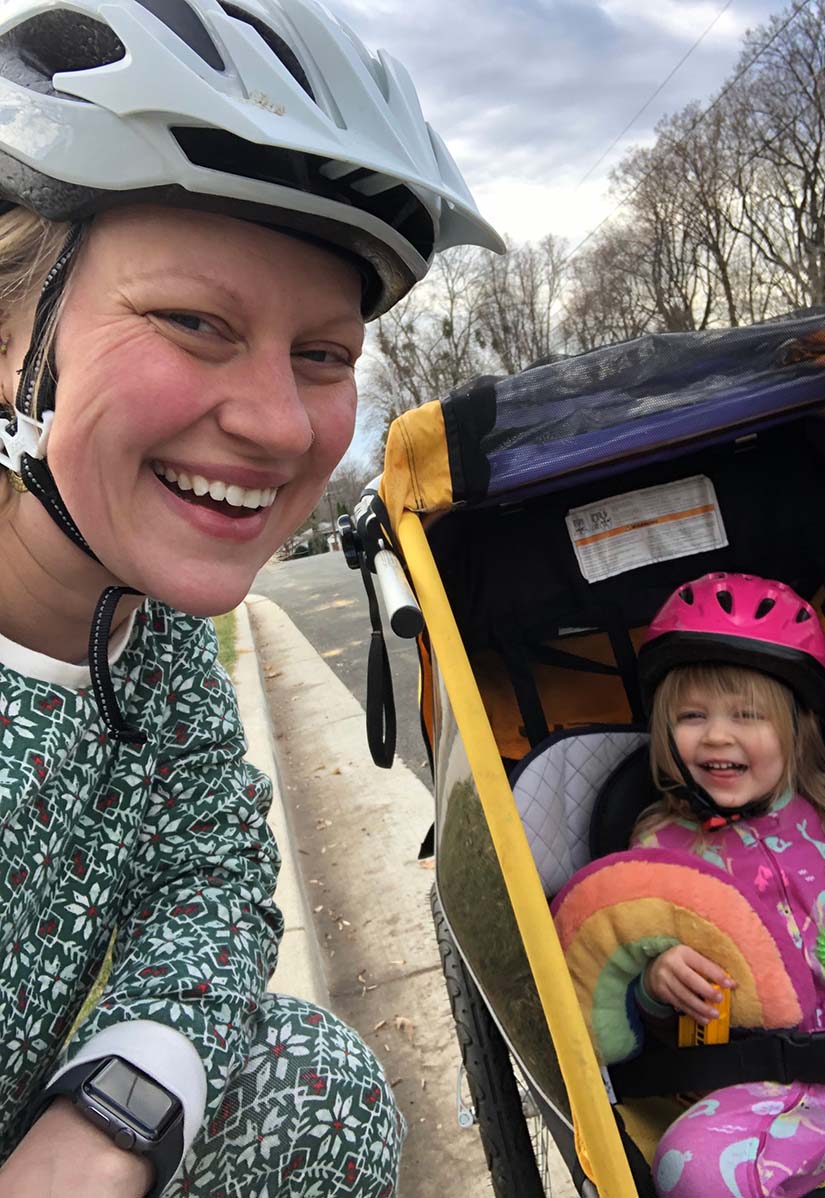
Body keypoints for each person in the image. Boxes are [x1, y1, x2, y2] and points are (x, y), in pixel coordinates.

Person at [0, 2, 503, 1196]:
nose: (282, 425)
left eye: (323, 355)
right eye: (192, 321)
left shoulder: (152, 633)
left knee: (322, 1086)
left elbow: (214, 871)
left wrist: (120, 1104)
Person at [631, 572, 825, 1198]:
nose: (718, 735)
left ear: (794, 728)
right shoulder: (655, 850)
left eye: (746, 716)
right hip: (768, 1083)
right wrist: (654, 980)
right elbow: (622, 976)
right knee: (687, 1163)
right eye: (693, 716)